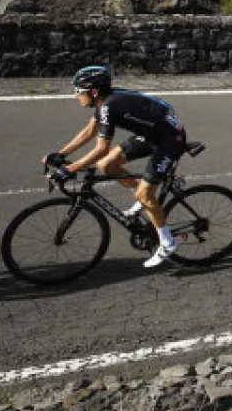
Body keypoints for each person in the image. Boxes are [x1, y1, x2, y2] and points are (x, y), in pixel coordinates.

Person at [45, 66, 190, 268]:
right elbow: (90, 130)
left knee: (144, 194)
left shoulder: (109, 106)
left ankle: (168, 242)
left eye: (78, 92)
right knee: (107, 166)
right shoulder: (104, 101)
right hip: (153, 133)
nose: (76, 96)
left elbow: (102, 147)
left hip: (170, 139)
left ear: (93, 92)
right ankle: (143, 192)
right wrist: (62, 154)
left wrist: (70, 169)